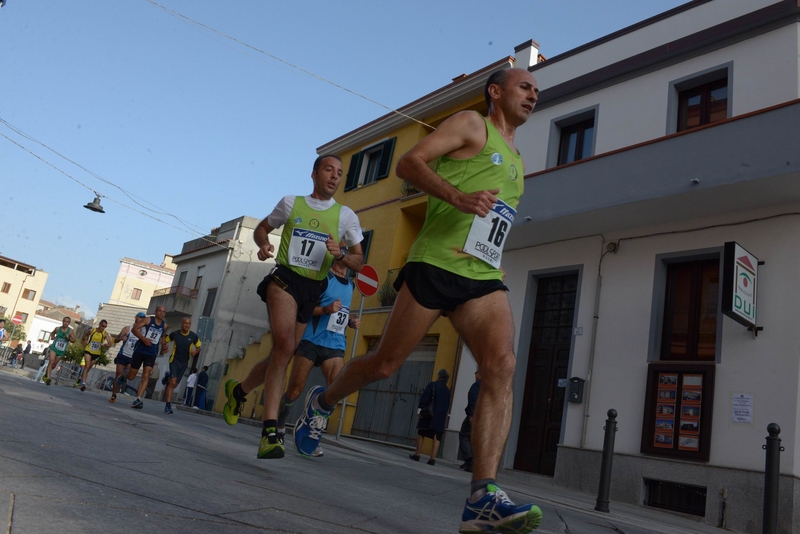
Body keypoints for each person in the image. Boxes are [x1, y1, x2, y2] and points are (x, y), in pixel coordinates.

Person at [294, 68, 542, 533]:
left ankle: (482, 497)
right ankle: (323, 402)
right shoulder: (472, 124)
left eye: (535, 90)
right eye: (524, 86)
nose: (533, 94)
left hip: (482, 274)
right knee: (385, 363)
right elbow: (409, 163)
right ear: (496, 91)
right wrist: (459, 197)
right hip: (434, 265)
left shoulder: (517, 156)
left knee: (502, 365)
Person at [220, 154, 364, 460]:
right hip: (284, 279)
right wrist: (263, 244)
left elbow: (359, 261)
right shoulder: (290, 203)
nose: (335, 176)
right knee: (285, 346)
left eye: (340, 173)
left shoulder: (346, 217)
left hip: (314, 288)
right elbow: (262, 229)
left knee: (279, 355)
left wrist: (341, 255)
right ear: (314, 174)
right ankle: (270, 432)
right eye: (328, 169)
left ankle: (238, 392)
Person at [269, 253, 361, 456]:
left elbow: (341, 313)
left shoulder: (351, 285)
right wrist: (326, 309)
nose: (345, 255)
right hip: (311, 340)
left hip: (335, 343)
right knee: (294, 390)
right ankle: (280, 425)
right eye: (341, 250)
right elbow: (304, 309)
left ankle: (312, 432)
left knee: (336, 389)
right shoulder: (323, 278)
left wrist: (350, 321)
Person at [117, 306, 168, 409]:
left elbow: (162, 338)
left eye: (163, 312)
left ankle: (138, 399)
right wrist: (143, 339)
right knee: (132, 376)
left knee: (146, 375)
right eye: (159, 311)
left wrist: (164, 345)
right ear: (155, 312)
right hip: (140, 350)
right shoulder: (148, 320)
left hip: (152, 353)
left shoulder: (165, 325)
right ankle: (124, 375)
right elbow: (135, 329)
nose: (161, 313)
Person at [409, 369, 451, 466]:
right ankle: (432, 458)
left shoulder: (432, 385)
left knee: (421, 432)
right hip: (440, 416)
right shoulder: (447, 391)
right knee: (437, 436)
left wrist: (420, 409)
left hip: (429, 413)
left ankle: (417, 454)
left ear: (439, 376)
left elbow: (425, 397)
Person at [161, 318, 201, 414]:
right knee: (172, 383)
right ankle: (168, 405)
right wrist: (165, 347)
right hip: (174, 360)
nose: (187, 325)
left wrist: (195, 351)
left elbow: (199, 346)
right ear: (181, 324)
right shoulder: (175, 334)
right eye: (185, 323)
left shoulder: (193, 336)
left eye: (189, 323)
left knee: (174, 385)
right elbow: (164, 340)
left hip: (184, 363)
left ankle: (168, 376)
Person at [109, 312, 147, 403]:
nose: (141, 319)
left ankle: (123, 377)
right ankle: (114, 394)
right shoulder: (127, 328)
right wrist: (122, 338)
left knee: (130, 376)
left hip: (133, 357)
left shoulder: (143, 332)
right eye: (140, 317)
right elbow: (116, 340)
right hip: (123, 354)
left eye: (143, 318)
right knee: (118, 374)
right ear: (135, 317)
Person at [78, 320, 112, 391]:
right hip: (88, 350)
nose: (103, 328)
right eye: (102, 326)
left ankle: (80, 378)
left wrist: (104, 345)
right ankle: (83, 384)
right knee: (87, 366)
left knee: (89, 368)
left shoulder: (105, 334)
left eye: (105, 327)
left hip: (96, 353)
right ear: (99, 324)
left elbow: (110, 343)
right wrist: (85, 340)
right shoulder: (92, 330)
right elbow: (86, 334)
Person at [458, 371, 481, 472]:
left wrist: (471, 415)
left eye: (476, 373)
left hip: (475, 415)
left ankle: (469, 459)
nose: (475, 376)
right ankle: (471, 462)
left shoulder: (477, 385)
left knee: (464, 434)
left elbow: (473, 400)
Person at [43, 317, 76, 385]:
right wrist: (52, 337)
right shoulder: (57, 328)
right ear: (62, 321)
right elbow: (52, 333)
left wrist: (69, 338)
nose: (65, 323)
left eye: (67, 322)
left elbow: (73, 340)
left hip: (61, 350)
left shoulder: (71, 331)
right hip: (54, 348)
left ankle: (46, 374)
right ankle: (48, 378)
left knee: (54, 365)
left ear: (69, 323)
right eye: (64, 321)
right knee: (51, 362)